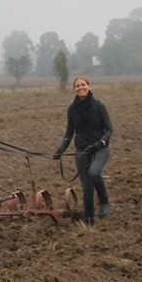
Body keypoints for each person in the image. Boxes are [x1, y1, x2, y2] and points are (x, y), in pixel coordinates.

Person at [53, 76, 113, 226]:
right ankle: (89, 219)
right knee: (86, 186)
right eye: (77, 86)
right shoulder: (72, 110)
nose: (81, 88)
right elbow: (69, 132)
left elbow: (109, 129)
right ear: (74, 89)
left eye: (83, 85)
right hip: (81, 151)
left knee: (94, 173)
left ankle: (104, 200)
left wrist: (100, 143)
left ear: (89, 86)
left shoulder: (99, 106)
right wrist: (60, 150)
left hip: (100, 149)